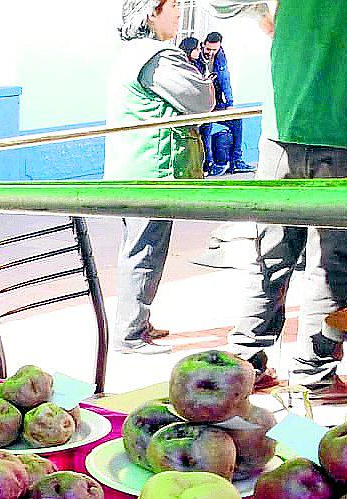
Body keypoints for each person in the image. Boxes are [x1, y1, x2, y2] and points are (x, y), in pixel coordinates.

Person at [217, 0, 347, 402]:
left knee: (269, 252)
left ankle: (244, 364)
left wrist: (262, 17)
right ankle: (313, 373)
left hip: (282, 124)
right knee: (335, 263)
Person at [104, 0, 216, 354]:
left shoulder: (131, 53)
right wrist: (204, 82)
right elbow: (201, 99)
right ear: (152, 11)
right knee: (145, 250)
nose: (181, 13)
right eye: (175, 6)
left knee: (140, 247)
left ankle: (138, 320)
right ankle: (130, 333)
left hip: (133, 166)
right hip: (152, 170)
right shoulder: (159, 57)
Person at [199, 32, 256, 175]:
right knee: (207, 126)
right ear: (203, 44)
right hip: (201, 105)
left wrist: (230, 104)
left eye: (214, 50)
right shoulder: (196, 57)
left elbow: (225, 79)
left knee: (236, 120)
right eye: (208, 49)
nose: (211, 53)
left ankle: (236, 161)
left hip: (216, 102)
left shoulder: (220, 57)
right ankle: (209, 164)